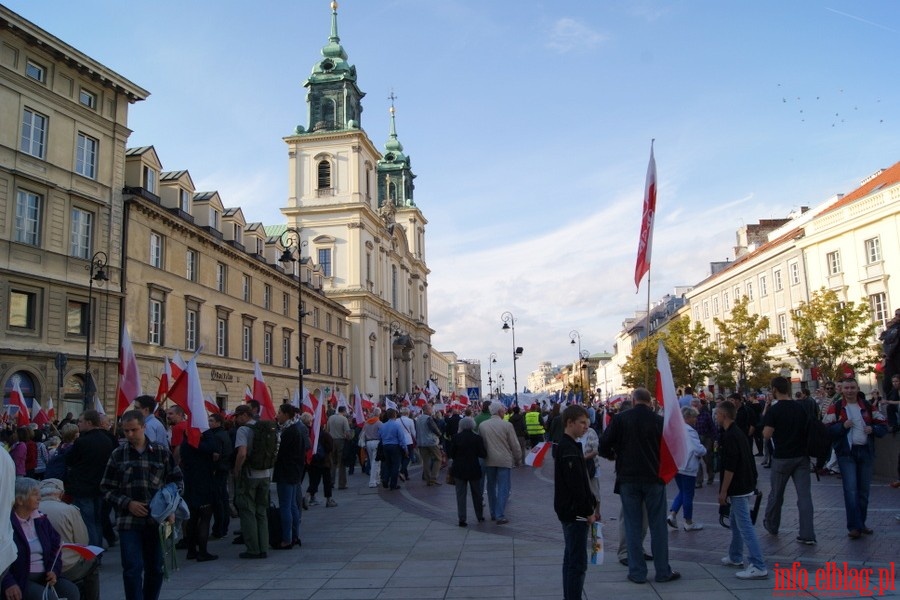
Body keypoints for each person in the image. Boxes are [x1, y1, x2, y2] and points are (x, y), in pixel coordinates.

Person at [600, 388, 679, 585]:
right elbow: (671, 449)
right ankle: (662, 571)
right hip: (654, 478)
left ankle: (637, 572)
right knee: (658, 527)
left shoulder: (621, 419)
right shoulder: (659, 421)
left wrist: (615, 454)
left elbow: (603, 446)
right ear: (649, 402)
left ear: (633, 401)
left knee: (632, 526)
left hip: (628, 479)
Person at [101, 410, 182, 600]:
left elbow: (177, 482)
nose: (129, 435)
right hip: (128, 521)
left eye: (133, 430)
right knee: (131, 568)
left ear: (144, 427)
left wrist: (171, 509)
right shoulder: (118, 454)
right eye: (125, 431)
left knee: (155, 567)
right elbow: (106, 488)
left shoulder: (161, 451)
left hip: (157, 520)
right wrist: (127, 503)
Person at [824, 378, 888, 539]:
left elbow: (883, 424)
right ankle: (854, 526)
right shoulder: (836, 407)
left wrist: (872, 429)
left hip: (865, 452)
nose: (850, 391)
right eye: (846, 388)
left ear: (857, 388)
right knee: (851, 490)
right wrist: (842, 426)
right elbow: (825, 429)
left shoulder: (867, 406)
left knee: (864, 491)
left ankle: (861, 523)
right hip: (847, 454)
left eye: (852, 387)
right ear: (842, 390)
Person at [2, 477, 81, 600]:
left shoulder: (41, 520)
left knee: (71, 592)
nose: (39, 497)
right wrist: (8, 582)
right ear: (19, 500)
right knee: (48, 598)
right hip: (20, 578)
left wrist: (53, 570)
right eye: (34, 494)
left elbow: (56, 548)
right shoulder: (6, 524)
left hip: (44, 576)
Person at [761, 376, 816, 545]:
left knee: (776, 494)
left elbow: (766, 434)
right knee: (804, 496)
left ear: (774, 390)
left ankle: (772, 524)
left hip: (782, 457)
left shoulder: (774, 411)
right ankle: (807, 533)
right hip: (801, 456)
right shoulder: (800, 408)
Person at [717, 400, 767, 579]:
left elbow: (730, 467)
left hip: (738, 486)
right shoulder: (737, 432)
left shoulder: (731, 435)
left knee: (745, 525)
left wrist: (723, 491)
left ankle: (758, 564)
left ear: (723, 415)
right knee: (736, 523)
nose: (716, 417)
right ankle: (735, 556)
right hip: (744, 484)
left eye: (717, 414)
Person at [554, 405, 598, 600]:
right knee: (577, 563)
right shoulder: (569, 448)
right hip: (575, 512)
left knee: (570, 557)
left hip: (569, 510)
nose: (585, 427)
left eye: (587, 423)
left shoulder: (569, 445)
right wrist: (588, 511)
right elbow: (576, 486)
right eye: (581, 423)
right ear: (569, 423)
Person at [38, 478, 100, 600]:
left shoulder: (32, 510)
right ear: (61, 493)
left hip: (39, 565)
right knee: (93, 563)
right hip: (66, 566)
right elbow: (82, 541)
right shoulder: (69, 510)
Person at [65, 409, 116, 548]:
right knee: (97, 521)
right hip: (100, 487)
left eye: (80, 421)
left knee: (88, 522)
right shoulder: (107, 440)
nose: (78, 424)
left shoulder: (82, 441)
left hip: (83, 487)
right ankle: (97, 552)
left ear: (89, 422)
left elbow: (70, 460)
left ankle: (93, 555)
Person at [232, 404, 273, 558]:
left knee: (248, 510)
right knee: (261, 511)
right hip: (265, 474)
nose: (236, 419)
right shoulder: (264, 427)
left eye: (237, 416)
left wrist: (237, 469)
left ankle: (253, 549)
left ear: (244, 415)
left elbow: (242, 453)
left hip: (249, 474)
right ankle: (264, 547)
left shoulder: (244, 430)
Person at [479, 402, 521, 525]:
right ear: (499, 412)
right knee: (504, 487)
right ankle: (500, 514)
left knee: (491, 487)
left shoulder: (483, 426)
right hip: (504, 460)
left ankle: (493, 512)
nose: (504, 412)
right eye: (503, 411)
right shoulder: (507, 425)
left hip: (489, 460)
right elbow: (514, 444)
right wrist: (518, 458)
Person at [667, 406, 707, 531]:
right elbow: (698, 449)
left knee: (683, 492)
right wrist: (704, 450)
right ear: (688, 417)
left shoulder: (676, 429)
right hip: (688, 466)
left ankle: (673, 514)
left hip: (678, 465)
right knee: (688, 494)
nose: (696, 419)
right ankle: (688, 521)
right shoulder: (689, 431)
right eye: (694, 417)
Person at [273, 404, 304, 549]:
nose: (277, 415)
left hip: (286, 472)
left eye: (279, 412)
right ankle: (295, 535)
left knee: (285, 506)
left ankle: (286, 539)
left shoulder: (288, 432)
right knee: (292, 506)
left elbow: (280, 454)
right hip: (295, 471)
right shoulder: (297, 428)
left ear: (286, 414)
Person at [448, 417, 486, 527]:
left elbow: (452, 453)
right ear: (473, 425)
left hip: (459, 469)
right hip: (473, 468)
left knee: (460, 494)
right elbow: (482, 454)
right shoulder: (477, 438)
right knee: (477, 494)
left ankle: (462, 518)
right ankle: (479, 515)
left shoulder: (456, 437)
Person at [415, 403, 443, 486]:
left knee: (426, 461)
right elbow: (434, 428)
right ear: (426, 410)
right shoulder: (428, 418)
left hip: (421, 442)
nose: (432, 410)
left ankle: (428, 479)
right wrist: (439, 434)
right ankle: (433, 478)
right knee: (438, 458)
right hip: (431, 442)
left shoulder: (418, 419)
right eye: (430, 409)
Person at [378, 409, 406, 490]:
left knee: (387, 464)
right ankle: (393, 484)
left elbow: (379, 436)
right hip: (395, 446)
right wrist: (405, 448)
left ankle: (385, 480)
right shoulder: (397, 425)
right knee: (395, 466)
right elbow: (401, 438)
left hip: (385, 446)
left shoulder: (383, 425)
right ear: (395, 415)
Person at [326, 406, 351, 491]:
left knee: (332, 462)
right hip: (341, 441)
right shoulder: (344, 419)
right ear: (343, 411)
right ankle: (341, 484)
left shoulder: (330, 418)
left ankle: (331, 482)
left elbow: (327, 430)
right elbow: (347, 432)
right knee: (341, 464)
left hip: (332, 441)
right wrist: (349, 438)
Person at [362, 408, 383, 488]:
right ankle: (372, 481)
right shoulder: (379, 423)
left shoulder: (366, 423)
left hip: (368, 443)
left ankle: (377, 479)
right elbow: (382, 434)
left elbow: (363, 433)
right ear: (379, 414)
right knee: (375, 462)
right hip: (376, 442)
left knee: (372, 461)